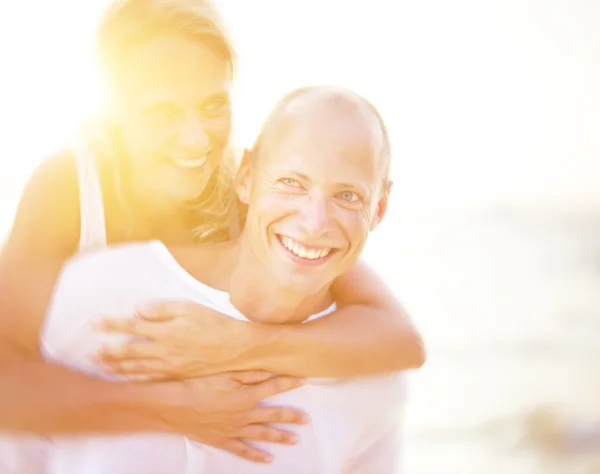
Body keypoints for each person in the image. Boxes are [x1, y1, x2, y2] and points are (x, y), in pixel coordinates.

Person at [0, 0, 423, 464]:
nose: (196, 139)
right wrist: (174, 408)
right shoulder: (71, 187)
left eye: (213, 106)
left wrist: (238, 346)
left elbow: (398, 339)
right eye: (161, 113)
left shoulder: (245, 188)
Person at [41, 84, 405, 473]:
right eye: (290, 183)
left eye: (347, 195)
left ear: (378, 209)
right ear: (246, 177)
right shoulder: (104, 292)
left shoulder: (373, 387)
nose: (314, 223)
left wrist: (243, 345)